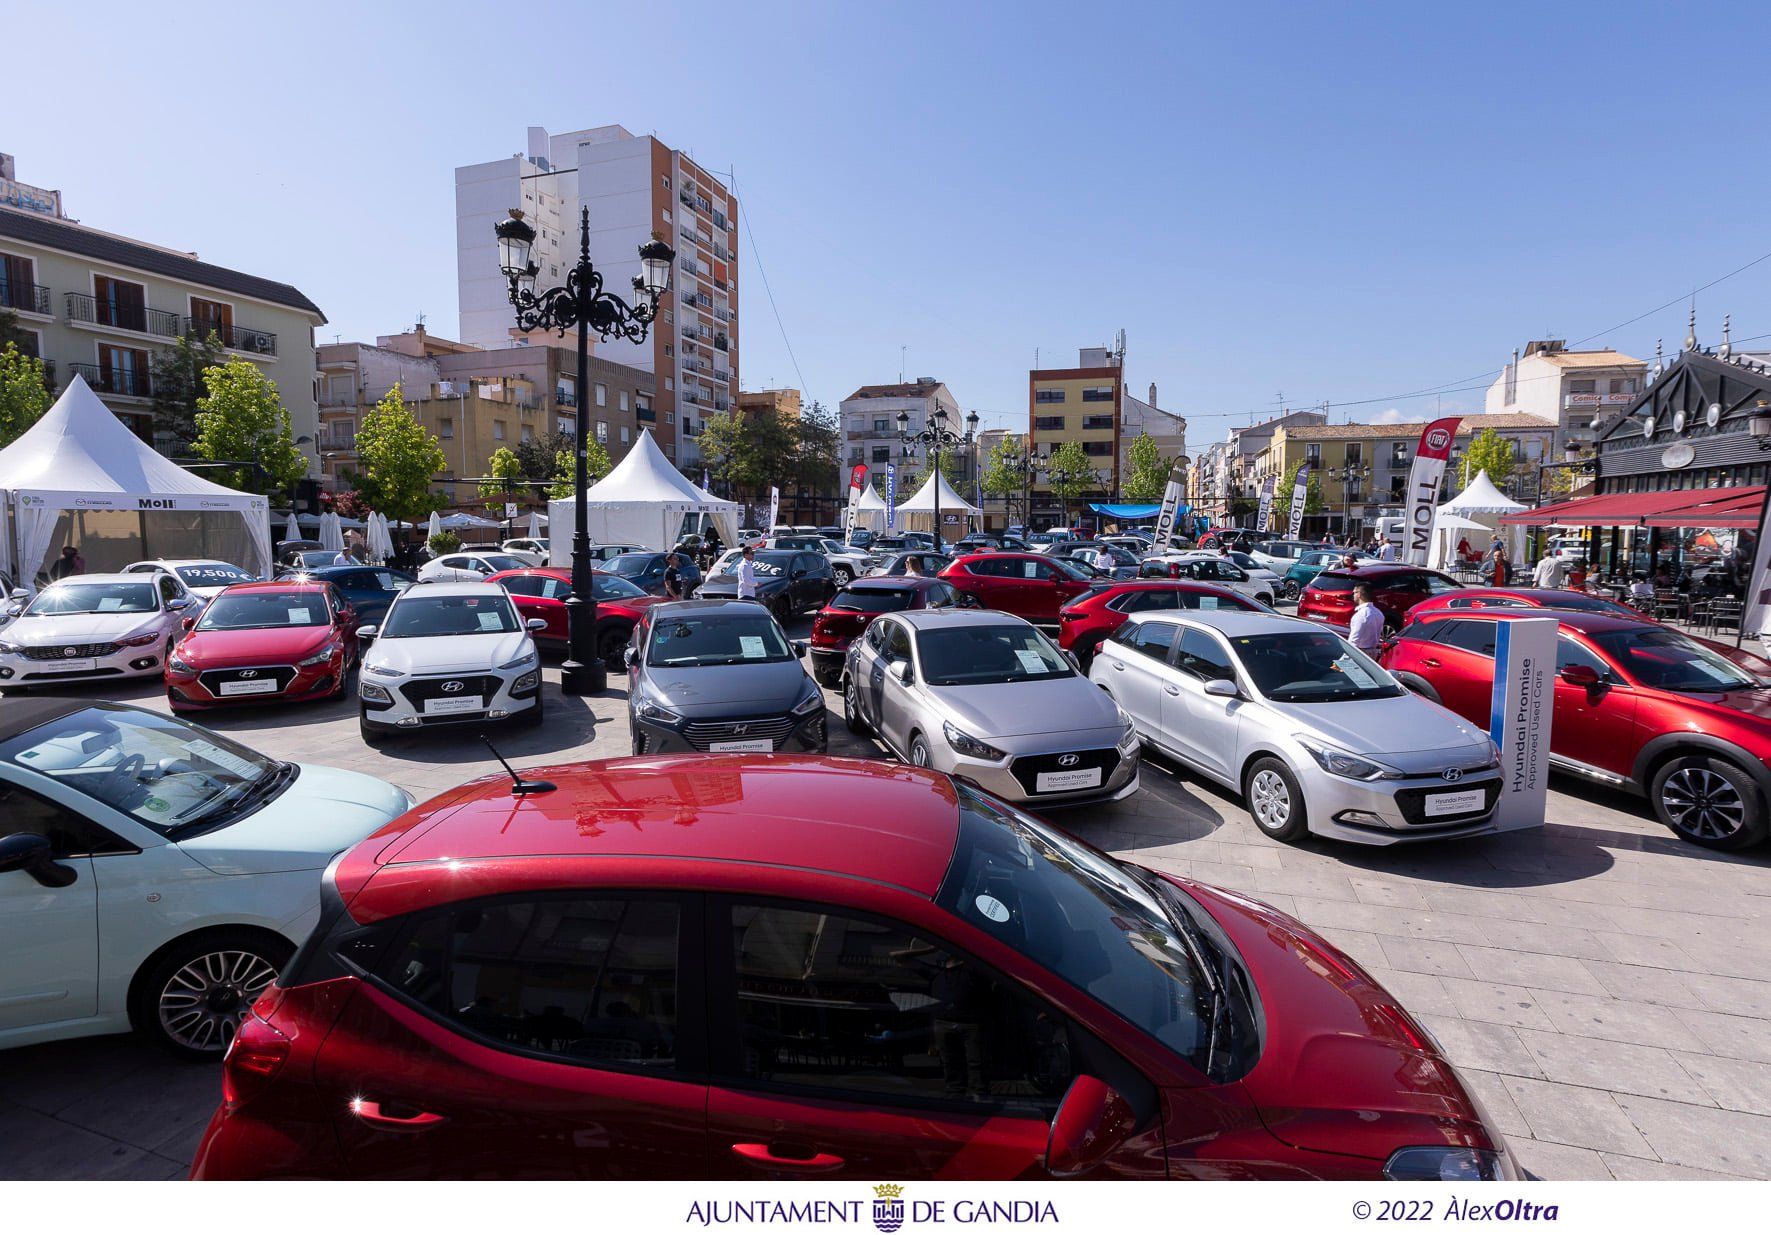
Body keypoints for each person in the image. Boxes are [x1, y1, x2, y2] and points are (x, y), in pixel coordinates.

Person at [1348, 583, 1385, 654]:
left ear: (1359, 594)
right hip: (1373, 653)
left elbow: (1353, 640)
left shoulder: (1361, 615)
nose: (1353, 595)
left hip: (1360, 654)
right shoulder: (1379, 613)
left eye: (1354, 593)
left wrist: (1345, 658)